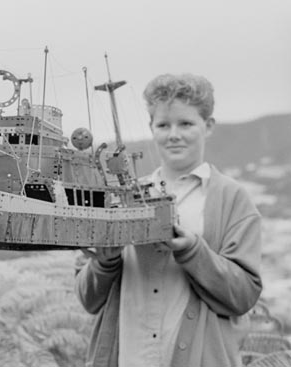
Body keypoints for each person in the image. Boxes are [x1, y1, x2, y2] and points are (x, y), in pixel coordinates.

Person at [76, 73, 262, 367]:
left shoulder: (233, 199)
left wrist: (192, 250)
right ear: (151, 128)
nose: (173, 134)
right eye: (163, 125)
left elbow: (244, 296)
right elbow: (88, 299)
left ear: (208, 125)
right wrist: (105, 262)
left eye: (186, 123)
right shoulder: (119, 197)